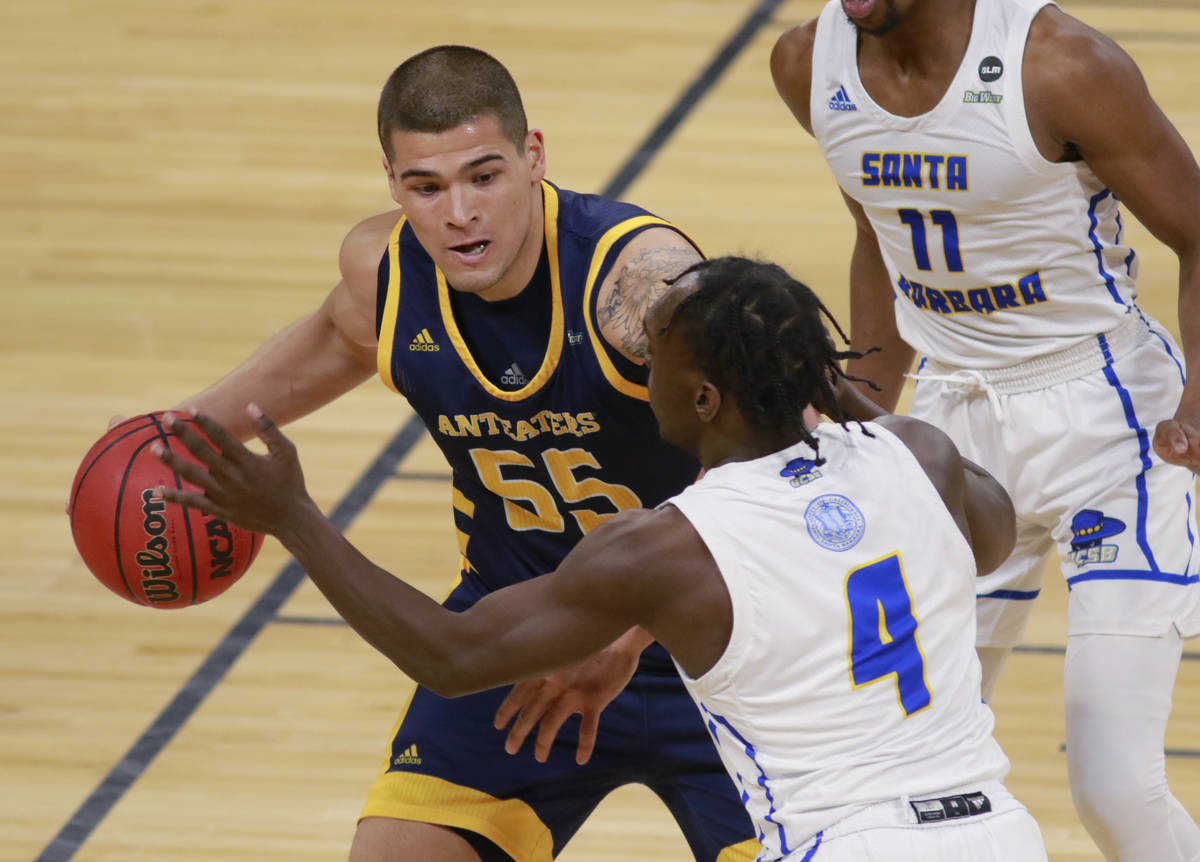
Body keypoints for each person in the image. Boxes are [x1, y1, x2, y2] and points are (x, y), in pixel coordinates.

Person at [155, 255, 1049, 861]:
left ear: (702, 398)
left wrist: (296, 517)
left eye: (649, 358)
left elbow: (447, 655)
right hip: (1001, 835)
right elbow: (996, 534)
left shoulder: (668, 549)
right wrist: (846, 398)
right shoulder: (920, 458)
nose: (635, 371)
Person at [161, 44, 759, 862]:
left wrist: (625, 637)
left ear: (534, 157)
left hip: (716, 644)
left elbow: (772, 465)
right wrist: (162, 442)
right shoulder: (389, 275)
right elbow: (336, 339)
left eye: (485, 176)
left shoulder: (640, 284)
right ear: (392, 181)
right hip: (518, 635)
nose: (459, 214)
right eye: (427, 187)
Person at [770, 1, 1200, 859]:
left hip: (1108, 420)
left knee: (1113, 783)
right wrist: (865, 412)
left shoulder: (1063, 65)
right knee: (897, 763)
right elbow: (876, 235)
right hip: (947, 426)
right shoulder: (805, 61)